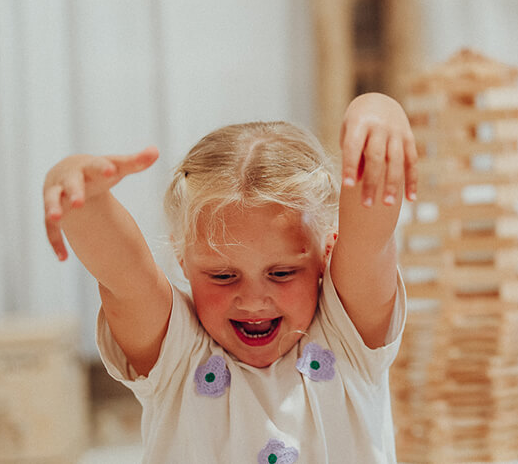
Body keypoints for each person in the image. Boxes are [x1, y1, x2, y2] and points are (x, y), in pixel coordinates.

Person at [43, 92, 416, 463]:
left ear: (327, 254)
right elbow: (123, 274)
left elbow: (370, 238)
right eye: (223, 276)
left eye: (282, 273)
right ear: (182, 259)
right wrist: (80, 196)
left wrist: (377, 110)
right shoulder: (177, 355)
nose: (253, 300)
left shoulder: (348, 337)